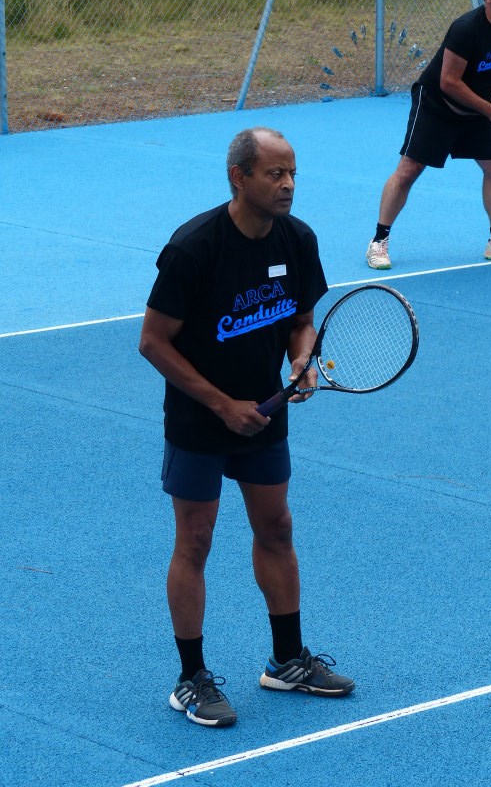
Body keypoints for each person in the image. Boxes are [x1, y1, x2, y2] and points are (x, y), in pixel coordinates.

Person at [139, 126, 354, 729]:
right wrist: (219, 404)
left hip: (266, 413)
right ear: (239, 177)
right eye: (274, 174)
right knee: (196, 541)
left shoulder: (297, 238)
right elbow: (153, 342)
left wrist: (301, 360)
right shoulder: (194, 247)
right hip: (199, 419)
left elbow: (302, 320)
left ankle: (287, 662)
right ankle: (191, 679)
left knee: (277, 527)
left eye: (292, 175)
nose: (287, 185)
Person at [366, 0, 491, 271]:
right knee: (409, 170)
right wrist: (490, 110)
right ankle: (378, 241)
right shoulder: (465, 28)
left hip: (476, 110)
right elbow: (448, 82)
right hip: (436, 106)